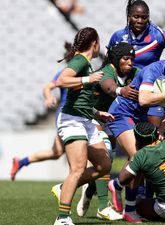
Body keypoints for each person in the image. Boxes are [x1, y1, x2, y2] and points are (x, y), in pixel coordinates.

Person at [106, 38, 165, 223]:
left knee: (142, 161)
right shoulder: (154, 70)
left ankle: (128, 206)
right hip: (122, 113)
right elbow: (144, 100)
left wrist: (161, 130)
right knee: (141, 157)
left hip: (139, 118)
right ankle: (117, 187)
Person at [51, 27, 114, 225]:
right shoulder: (80, 61)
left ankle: (64, 188)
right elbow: (61, 80)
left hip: (85, 119)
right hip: (71, 120)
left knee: (104, 165)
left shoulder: (86, 63)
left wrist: (97, 112)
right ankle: (62, 218)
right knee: (77, 169)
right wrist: (88, 79)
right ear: (94, 43)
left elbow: (81, 97)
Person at [76, 42, 139, 221]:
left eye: (132, 59)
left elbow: (148, 79)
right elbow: (109, 87)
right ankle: (103, 207)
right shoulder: (107, 71)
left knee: (106, 163)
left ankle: (89, 191)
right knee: (105, 155)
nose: (130, 62)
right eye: (126, 58)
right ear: (117, 59)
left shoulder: (133, 73)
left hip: (111, 118)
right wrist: (121, 90)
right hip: (91, 116)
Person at [10, 42, 71, 181]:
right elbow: (47, 87)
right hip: (67, 115)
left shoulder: (83, 72)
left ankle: (21, 162)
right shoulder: (65, 73)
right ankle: (75, 185)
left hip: (73, 115)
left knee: (57, 153)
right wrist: (49, 97)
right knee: (78, 150)